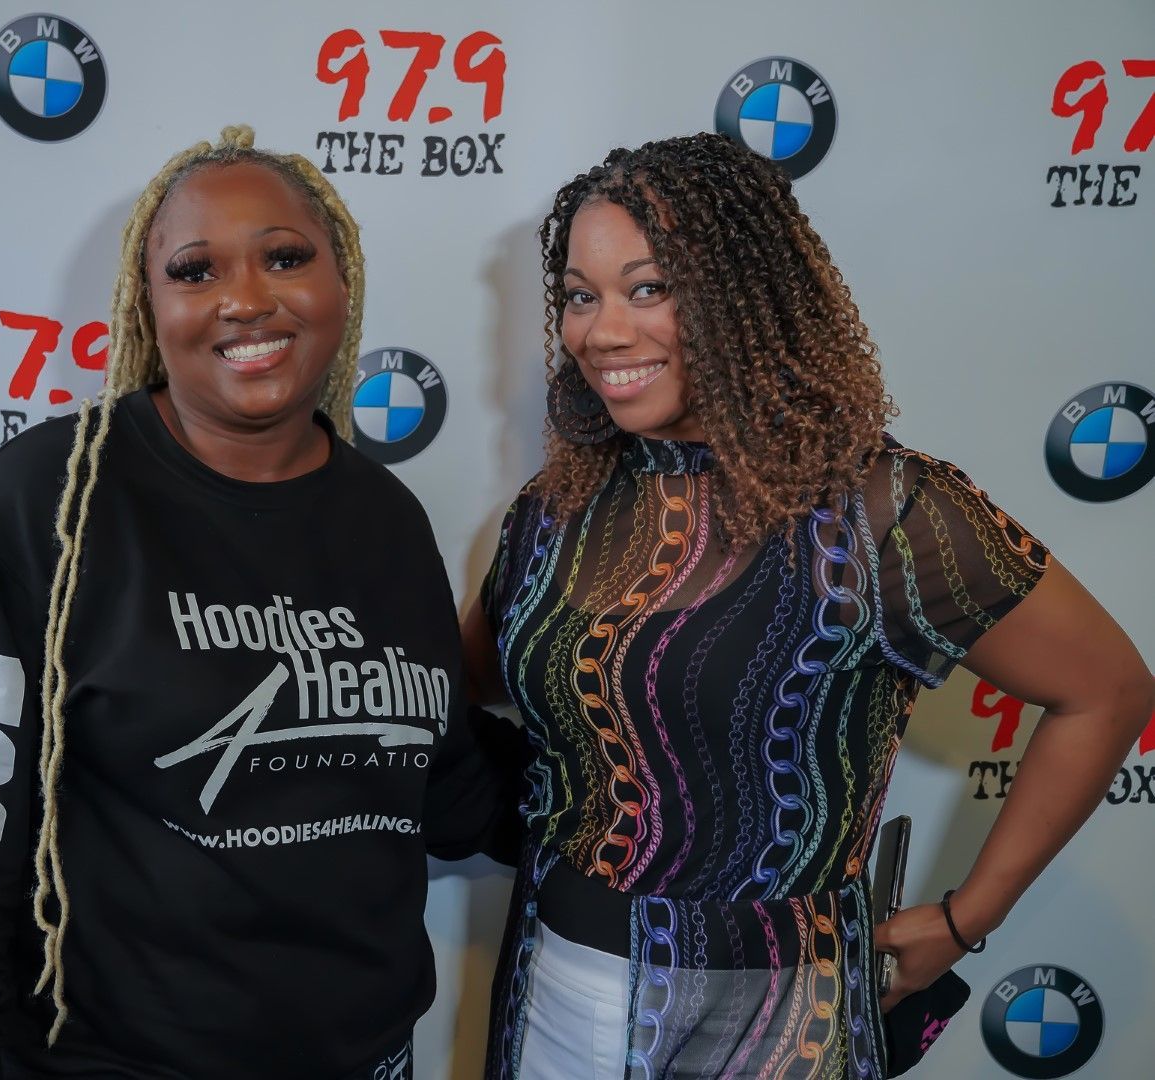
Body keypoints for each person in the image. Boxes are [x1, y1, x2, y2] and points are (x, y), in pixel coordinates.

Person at [463, 132, 1154, 1079]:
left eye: (649, 287)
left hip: (776, 1020)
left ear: (750, 300)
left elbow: (1107, 691)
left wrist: (968, 917)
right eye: (580, 296)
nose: (602, 331)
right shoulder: (554, 513)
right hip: (552, 989)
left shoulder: (883, 512)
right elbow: (451, 687)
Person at [0, 125, 517, 1080]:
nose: (245, 299)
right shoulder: (43, 508)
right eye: (195, 272)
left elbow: (441, 778)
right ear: (145, 304)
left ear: (341, 281)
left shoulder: (385, 516)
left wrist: (651, 800)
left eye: (285, 257)